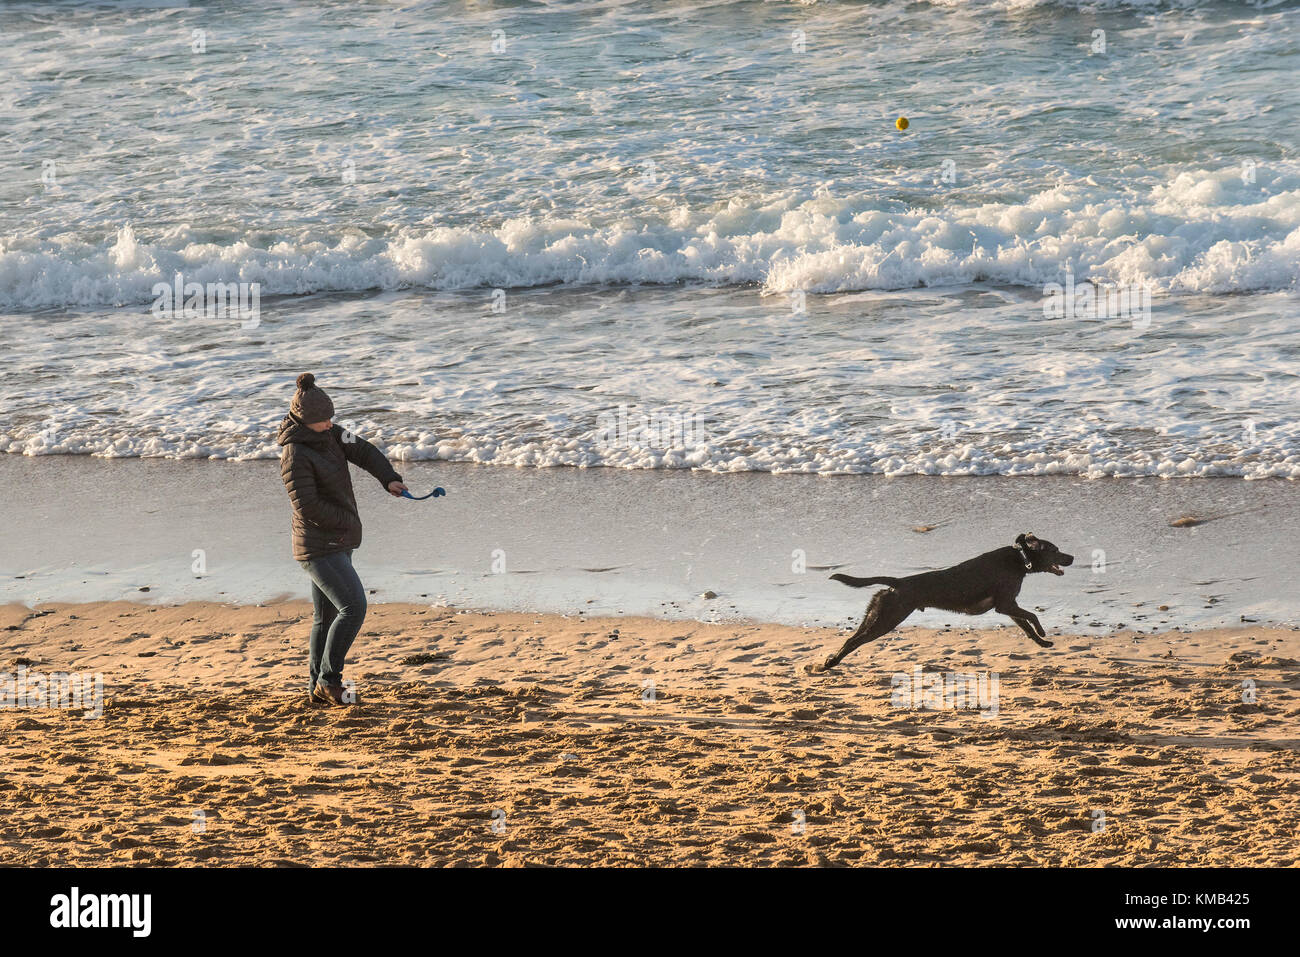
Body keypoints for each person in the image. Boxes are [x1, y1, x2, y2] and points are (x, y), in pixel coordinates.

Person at [277, 373, 407, 705]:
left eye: (330, 417)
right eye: (322, 420)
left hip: (337, 539)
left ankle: (316, 689)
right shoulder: (294, 453)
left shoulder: (333, 434)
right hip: (319, 546)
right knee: (353, 607)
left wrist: (388, 478)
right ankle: (330, 680)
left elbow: (364, 451)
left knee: (327, 616)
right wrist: (345, 524)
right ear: (306, 421)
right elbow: (307, 506)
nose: (329, 424)